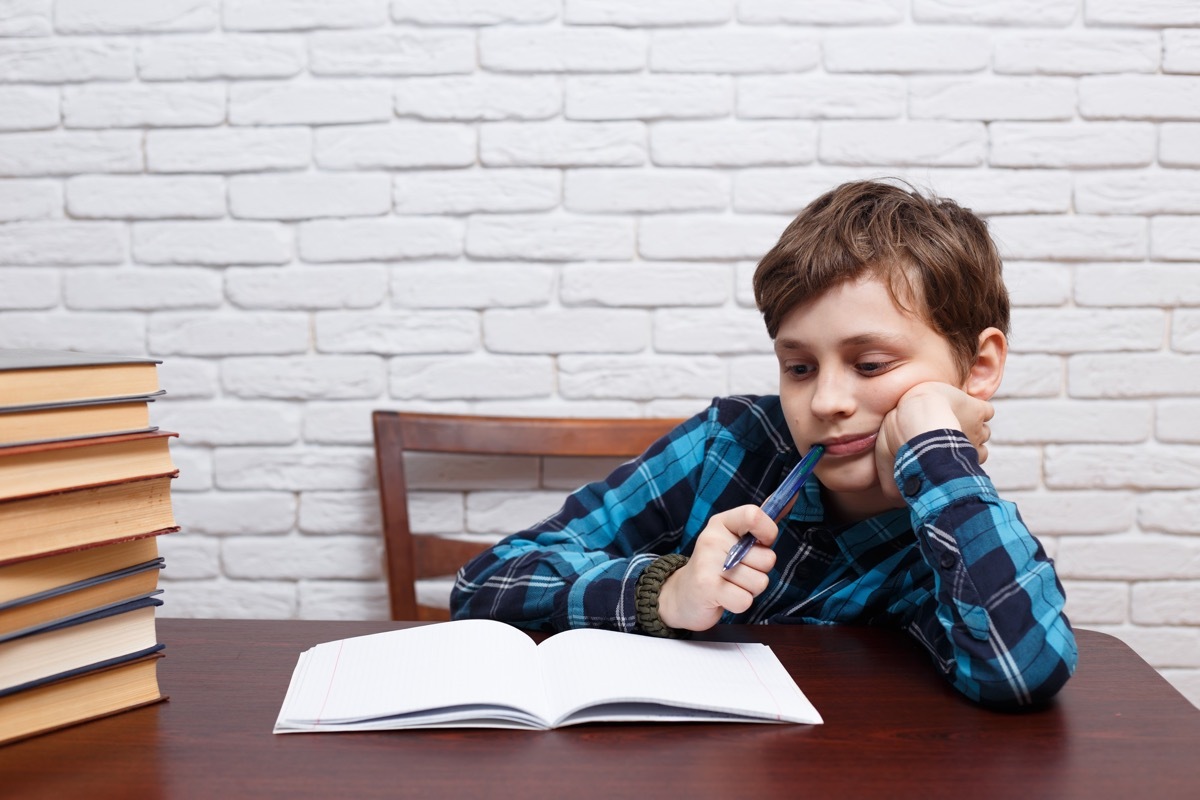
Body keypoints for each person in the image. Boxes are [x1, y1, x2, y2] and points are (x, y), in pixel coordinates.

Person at [450, 180, 1077, 707]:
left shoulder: (951, 532)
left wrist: (935, 444)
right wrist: (664, 593)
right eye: (799, 368)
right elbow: (483, 587)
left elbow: (1022, 671)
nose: (825, 401)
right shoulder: (728, 444)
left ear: (980, 366)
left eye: (872, 364)